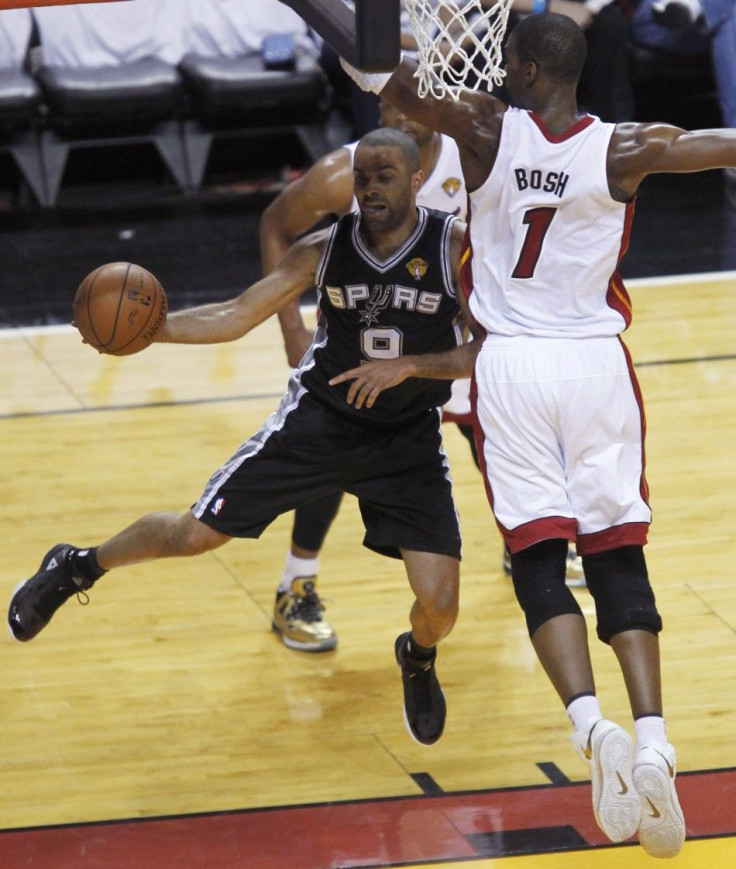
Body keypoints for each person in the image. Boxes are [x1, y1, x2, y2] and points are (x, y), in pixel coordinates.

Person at [337, 9, 736, 857]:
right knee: (619, 551)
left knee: (539, 557)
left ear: (518, 70)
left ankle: (596, 734)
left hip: (510, 364)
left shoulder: (485, 128)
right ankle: (658, 738)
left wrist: (389, 44)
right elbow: (720, 144)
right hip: (597, 365)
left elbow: (403, 99)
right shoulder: (628, 145)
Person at [8, 128, 479, 749]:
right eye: (362, 178)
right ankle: (75, 567)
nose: (369, 189)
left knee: (440, 608)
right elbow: (237, 314)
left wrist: (412, 366)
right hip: (320, 421)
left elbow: (489, 345)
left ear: (418, 180)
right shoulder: (323, 249)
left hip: (406, 440)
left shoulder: (456, 249)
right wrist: (152, 332)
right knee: (192, 535)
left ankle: (416, 657)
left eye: (384, 177)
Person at [261, 99, 585, 652]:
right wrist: (290, 326)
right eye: (388, 101)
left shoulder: (478, 157)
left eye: (409, 99)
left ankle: (523, 541)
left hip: (444, 335)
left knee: (496, 433)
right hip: (364, 343)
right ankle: (296, 584)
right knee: (334, 463)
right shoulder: (349, 172)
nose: (398, 111)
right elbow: (276, 225)